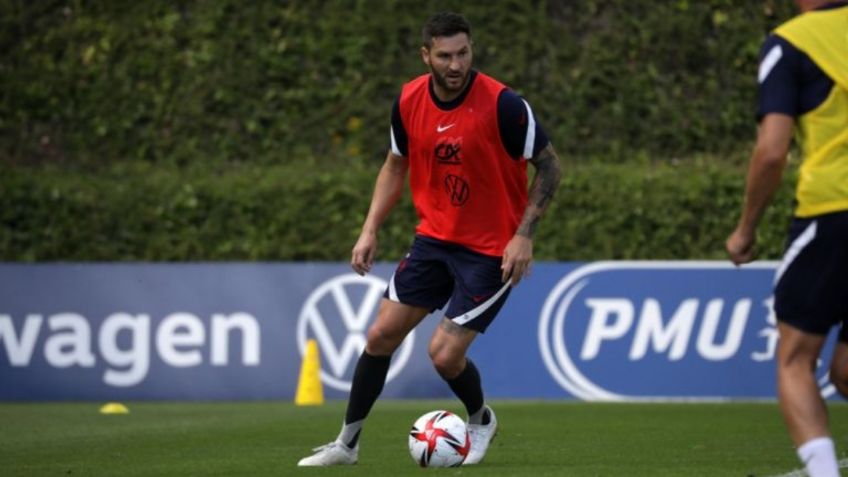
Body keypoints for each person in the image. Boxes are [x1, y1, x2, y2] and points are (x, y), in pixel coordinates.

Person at [298, 11, 562, 467]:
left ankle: (481, 419)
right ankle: (347, 444)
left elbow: (551, 166)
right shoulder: (408, 101)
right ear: (427, 56)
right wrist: (369, 228)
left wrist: (523, 236)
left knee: (442, 355)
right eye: (445, 55)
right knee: (380, 335)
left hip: (491, 250)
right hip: (434, 241)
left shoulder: (504, 104)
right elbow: (395, 164)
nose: (456, 64)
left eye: (463, 53)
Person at [726, 1, 848, 476]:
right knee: (842, 373)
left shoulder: (791, 41)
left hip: (833, 210)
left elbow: (773, 151)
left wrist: (745, 230)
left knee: (796, 359)